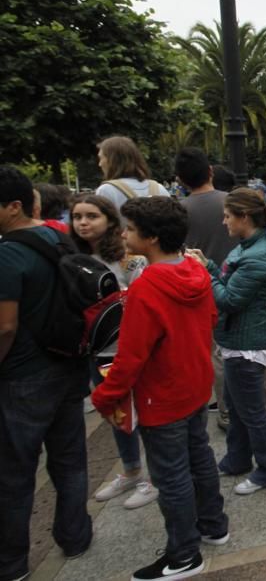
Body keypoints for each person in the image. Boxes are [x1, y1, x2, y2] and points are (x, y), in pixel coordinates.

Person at [91, 196, 229, 581]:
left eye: (130, 228)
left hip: (161, 393)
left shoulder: (147, 284)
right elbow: (211, 317)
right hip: (195, 383)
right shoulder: (193, 270)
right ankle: (213, 524)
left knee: (171, 475)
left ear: (150, 237)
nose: (123, 234)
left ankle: (184, 553)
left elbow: (132, 354)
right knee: (198, 456)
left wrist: (105, 396)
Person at [0, 166, 92, 581]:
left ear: (14, 206)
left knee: (15, 474)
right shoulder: (60, 238)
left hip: (24, 374)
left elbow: (5, 325)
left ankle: (12, 564)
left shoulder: (7, 254)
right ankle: (75, 536)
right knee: (70, 459)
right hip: (68, 362)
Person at [187, 189, 266, 496]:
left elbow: (229, 299)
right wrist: (213, 268)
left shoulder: (256, 256)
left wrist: (207, 271)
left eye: (228, 216)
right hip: (240, 340)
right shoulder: (253, 247)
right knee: (238, 406)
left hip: (246, 344)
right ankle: (238, 458)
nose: (224, 221)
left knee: (253, 412)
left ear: (244, 217)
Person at [69, 194, 158, 510]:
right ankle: (131, 468)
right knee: (114, 412)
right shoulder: (69, 257)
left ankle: (153, 477)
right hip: (93, 349)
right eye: (77, 216)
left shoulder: (129, 258)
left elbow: (143, 300)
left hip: (125, 347)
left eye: (91, 216)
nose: (83, 222)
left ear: (108, 219)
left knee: (140, 411)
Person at [95, 135, 169, 211]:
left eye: (101, 158)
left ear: (112, 160)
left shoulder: (106, 190)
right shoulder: (159, 188)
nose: (100, 164)